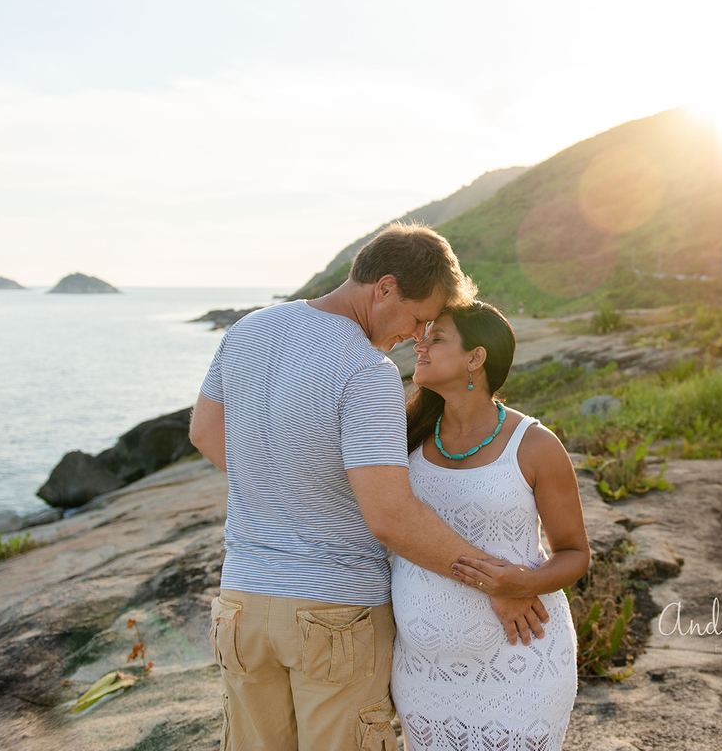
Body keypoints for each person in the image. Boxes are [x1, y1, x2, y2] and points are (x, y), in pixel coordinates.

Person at [188, 224, 551, 751]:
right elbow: (389, 516)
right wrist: (494, 579)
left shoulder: (246, 331)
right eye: (418, 316)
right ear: (384, 288)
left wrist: (281, 483)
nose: (418, 335)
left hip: (241, 605)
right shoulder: (367, 370)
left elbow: (204, 431)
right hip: (333, 613)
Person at [391, 301, 590, 751]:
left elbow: (575, 553)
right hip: (423, 673)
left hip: (523, 663)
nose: (419, 345)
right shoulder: (404, 436)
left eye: (436, 338)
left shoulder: (535, 445)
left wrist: (523, 582)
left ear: (475, 359)